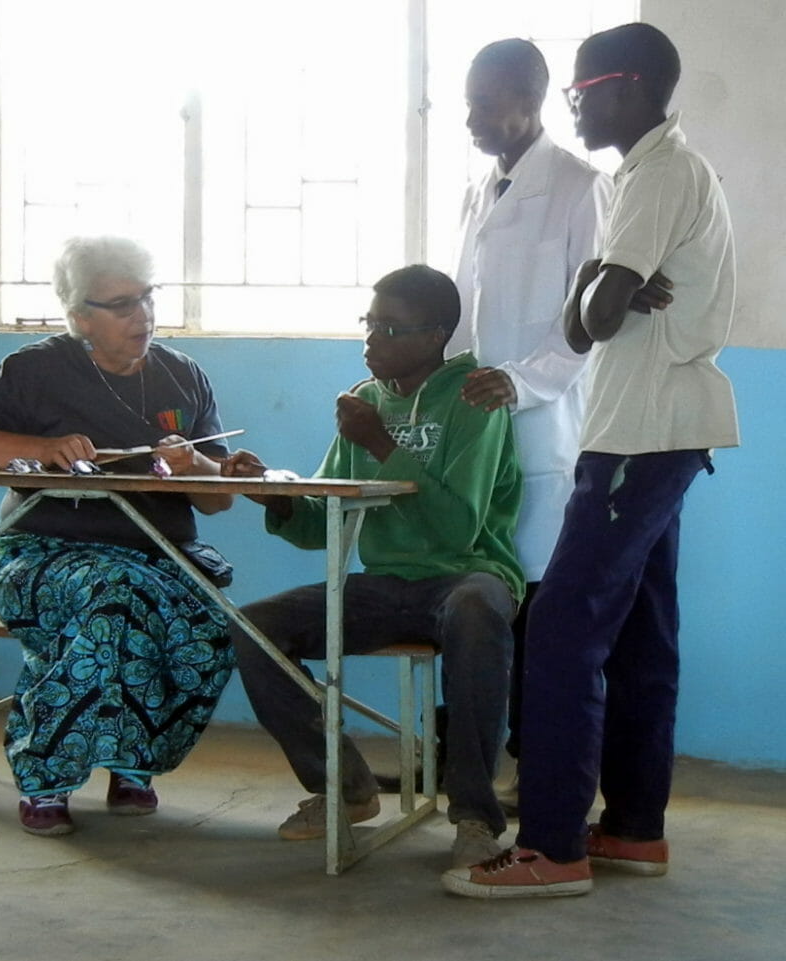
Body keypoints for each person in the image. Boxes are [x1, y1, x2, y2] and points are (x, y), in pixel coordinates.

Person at [443, 22, 739, 898]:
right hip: (658, 427)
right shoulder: (660, 174)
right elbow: (606, 299)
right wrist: (602, 285)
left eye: (585, 87)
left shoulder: (651, 174)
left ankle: (552, 845)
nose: (578, 103)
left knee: (565, 630)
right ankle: (635, 827)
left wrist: (590, 287)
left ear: (633, 86)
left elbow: (592, 320)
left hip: (632, 431)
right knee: (644, 631)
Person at [0, 235, 236, 836]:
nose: (142, 315)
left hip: (161, 557)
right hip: (41, 559)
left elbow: (218, 499)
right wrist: (40, 450)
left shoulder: (184, 376)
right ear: (78, 318)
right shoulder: (36, 370)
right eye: (121, 305)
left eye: (147, 298)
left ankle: (133, 762)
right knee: (113, 601)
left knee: (211, 630)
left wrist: (195, 465)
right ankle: (46, 778)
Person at [223, 265, 524, 868]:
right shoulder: (363, 403)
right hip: (387, 583)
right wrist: (271, 495)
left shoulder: (474, 398)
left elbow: (455, 528)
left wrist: (382, 441)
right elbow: (323, 524)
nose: (371, 340)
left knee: (475, 612)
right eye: (370, 323)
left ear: (437, 335)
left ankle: (473, 816)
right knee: (254, 627)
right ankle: (345, 788)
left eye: (391, 328)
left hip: (467, 572)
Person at [378, 39, 613, 804]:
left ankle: (534, 767)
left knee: (538, 608)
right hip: (472, 424)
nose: (472, 118)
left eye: (486, 102)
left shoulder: (581, 188)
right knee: (472, 586)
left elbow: (591, 319)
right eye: (468, 103)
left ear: (529, 98)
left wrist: (521, 383)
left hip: (542, 425)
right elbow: (463, 315)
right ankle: (465, 763)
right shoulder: (481, 191)